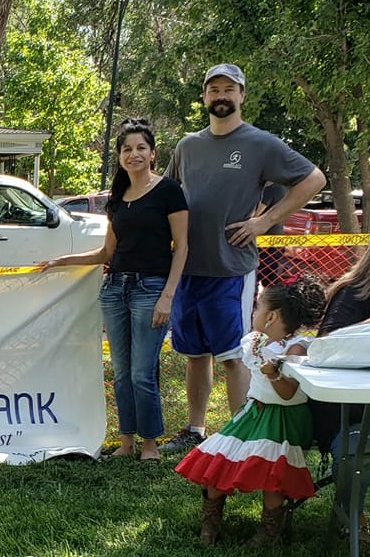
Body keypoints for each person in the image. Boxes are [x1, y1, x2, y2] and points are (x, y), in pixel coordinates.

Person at [160, 63, 327, 453]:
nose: (221, 96)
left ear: (241, 96)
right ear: (204, 96)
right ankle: (194, 429)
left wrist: (264, 221)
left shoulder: (260, 144)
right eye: (213, 89)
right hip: (187, 269)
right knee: (194, 354)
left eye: (228, 90)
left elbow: (314, 179)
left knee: (234, 355)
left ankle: (240, 432)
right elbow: (167, 196)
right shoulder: (187, 146)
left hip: (230, 269)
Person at [43, 118, 188, 462]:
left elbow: (181, 248)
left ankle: (150, 445)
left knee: (142, 373)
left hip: (150, 289)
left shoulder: (169, 191)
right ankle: (126, 443)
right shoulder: (118, 198)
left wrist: (167, 296)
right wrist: (63, 260)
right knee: (121, 373)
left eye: (140, 148)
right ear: (120, 156)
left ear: (153, 154)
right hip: (115, 289)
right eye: (126, 149)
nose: (133, 154)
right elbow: (106, 253)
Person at [174, 275, 326, 547]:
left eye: (258, 307)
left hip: (284, 419)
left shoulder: (295, 348)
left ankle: (269, 531)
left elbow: (288, 393)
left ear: (272, 316)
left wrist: (273, 374)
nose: (254, 311)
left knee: (273, 474)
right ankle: (210, 524)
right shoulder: (255, 341)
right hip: (253, 413)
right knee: (217, 459)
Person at [311, 247, 370, 539]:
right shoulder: (351, 293)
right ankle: (352, 515)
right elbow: (325, 346)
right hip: (348, 413)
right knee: (358, 450)